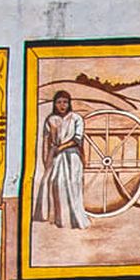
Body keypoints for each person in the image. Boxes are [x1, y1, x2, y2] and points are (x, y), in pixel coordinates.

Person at [32, 90, 90, 229]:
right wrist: (46, 159)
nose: (62, 105)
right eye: (59, 102)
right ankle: (58, 218)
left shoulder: (76, 118)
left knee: (72, 184)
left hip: (72, 156)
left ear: (69, 103)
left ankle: (74, 218)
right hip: (56, 156)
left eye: (65, 102)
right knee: (54, 183)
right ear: (54, 104)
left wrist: (63, 147)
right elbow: (47, 140)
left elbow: (77, 139)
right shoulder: (51, 120)